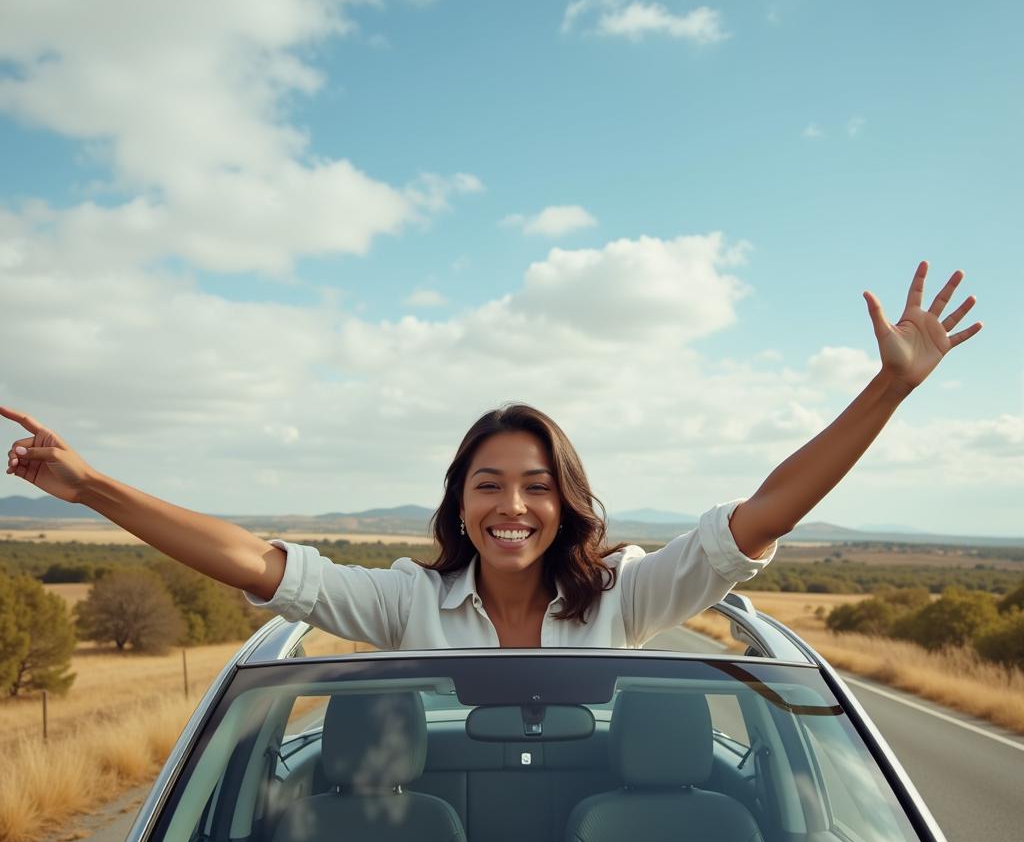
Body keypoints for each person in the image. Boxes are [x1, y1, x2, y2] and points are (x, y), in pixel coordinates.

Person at [3, 262, 981, 649]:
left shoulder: (627, 595)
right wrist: (90, 488)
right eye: (489, 485)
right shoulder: (404, 603)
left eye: (536, 484)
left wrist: (888, 388)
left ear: (567, 503)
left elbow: (762, 516)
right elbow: (259, 562)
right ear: (460, 506)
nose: (512, 505)